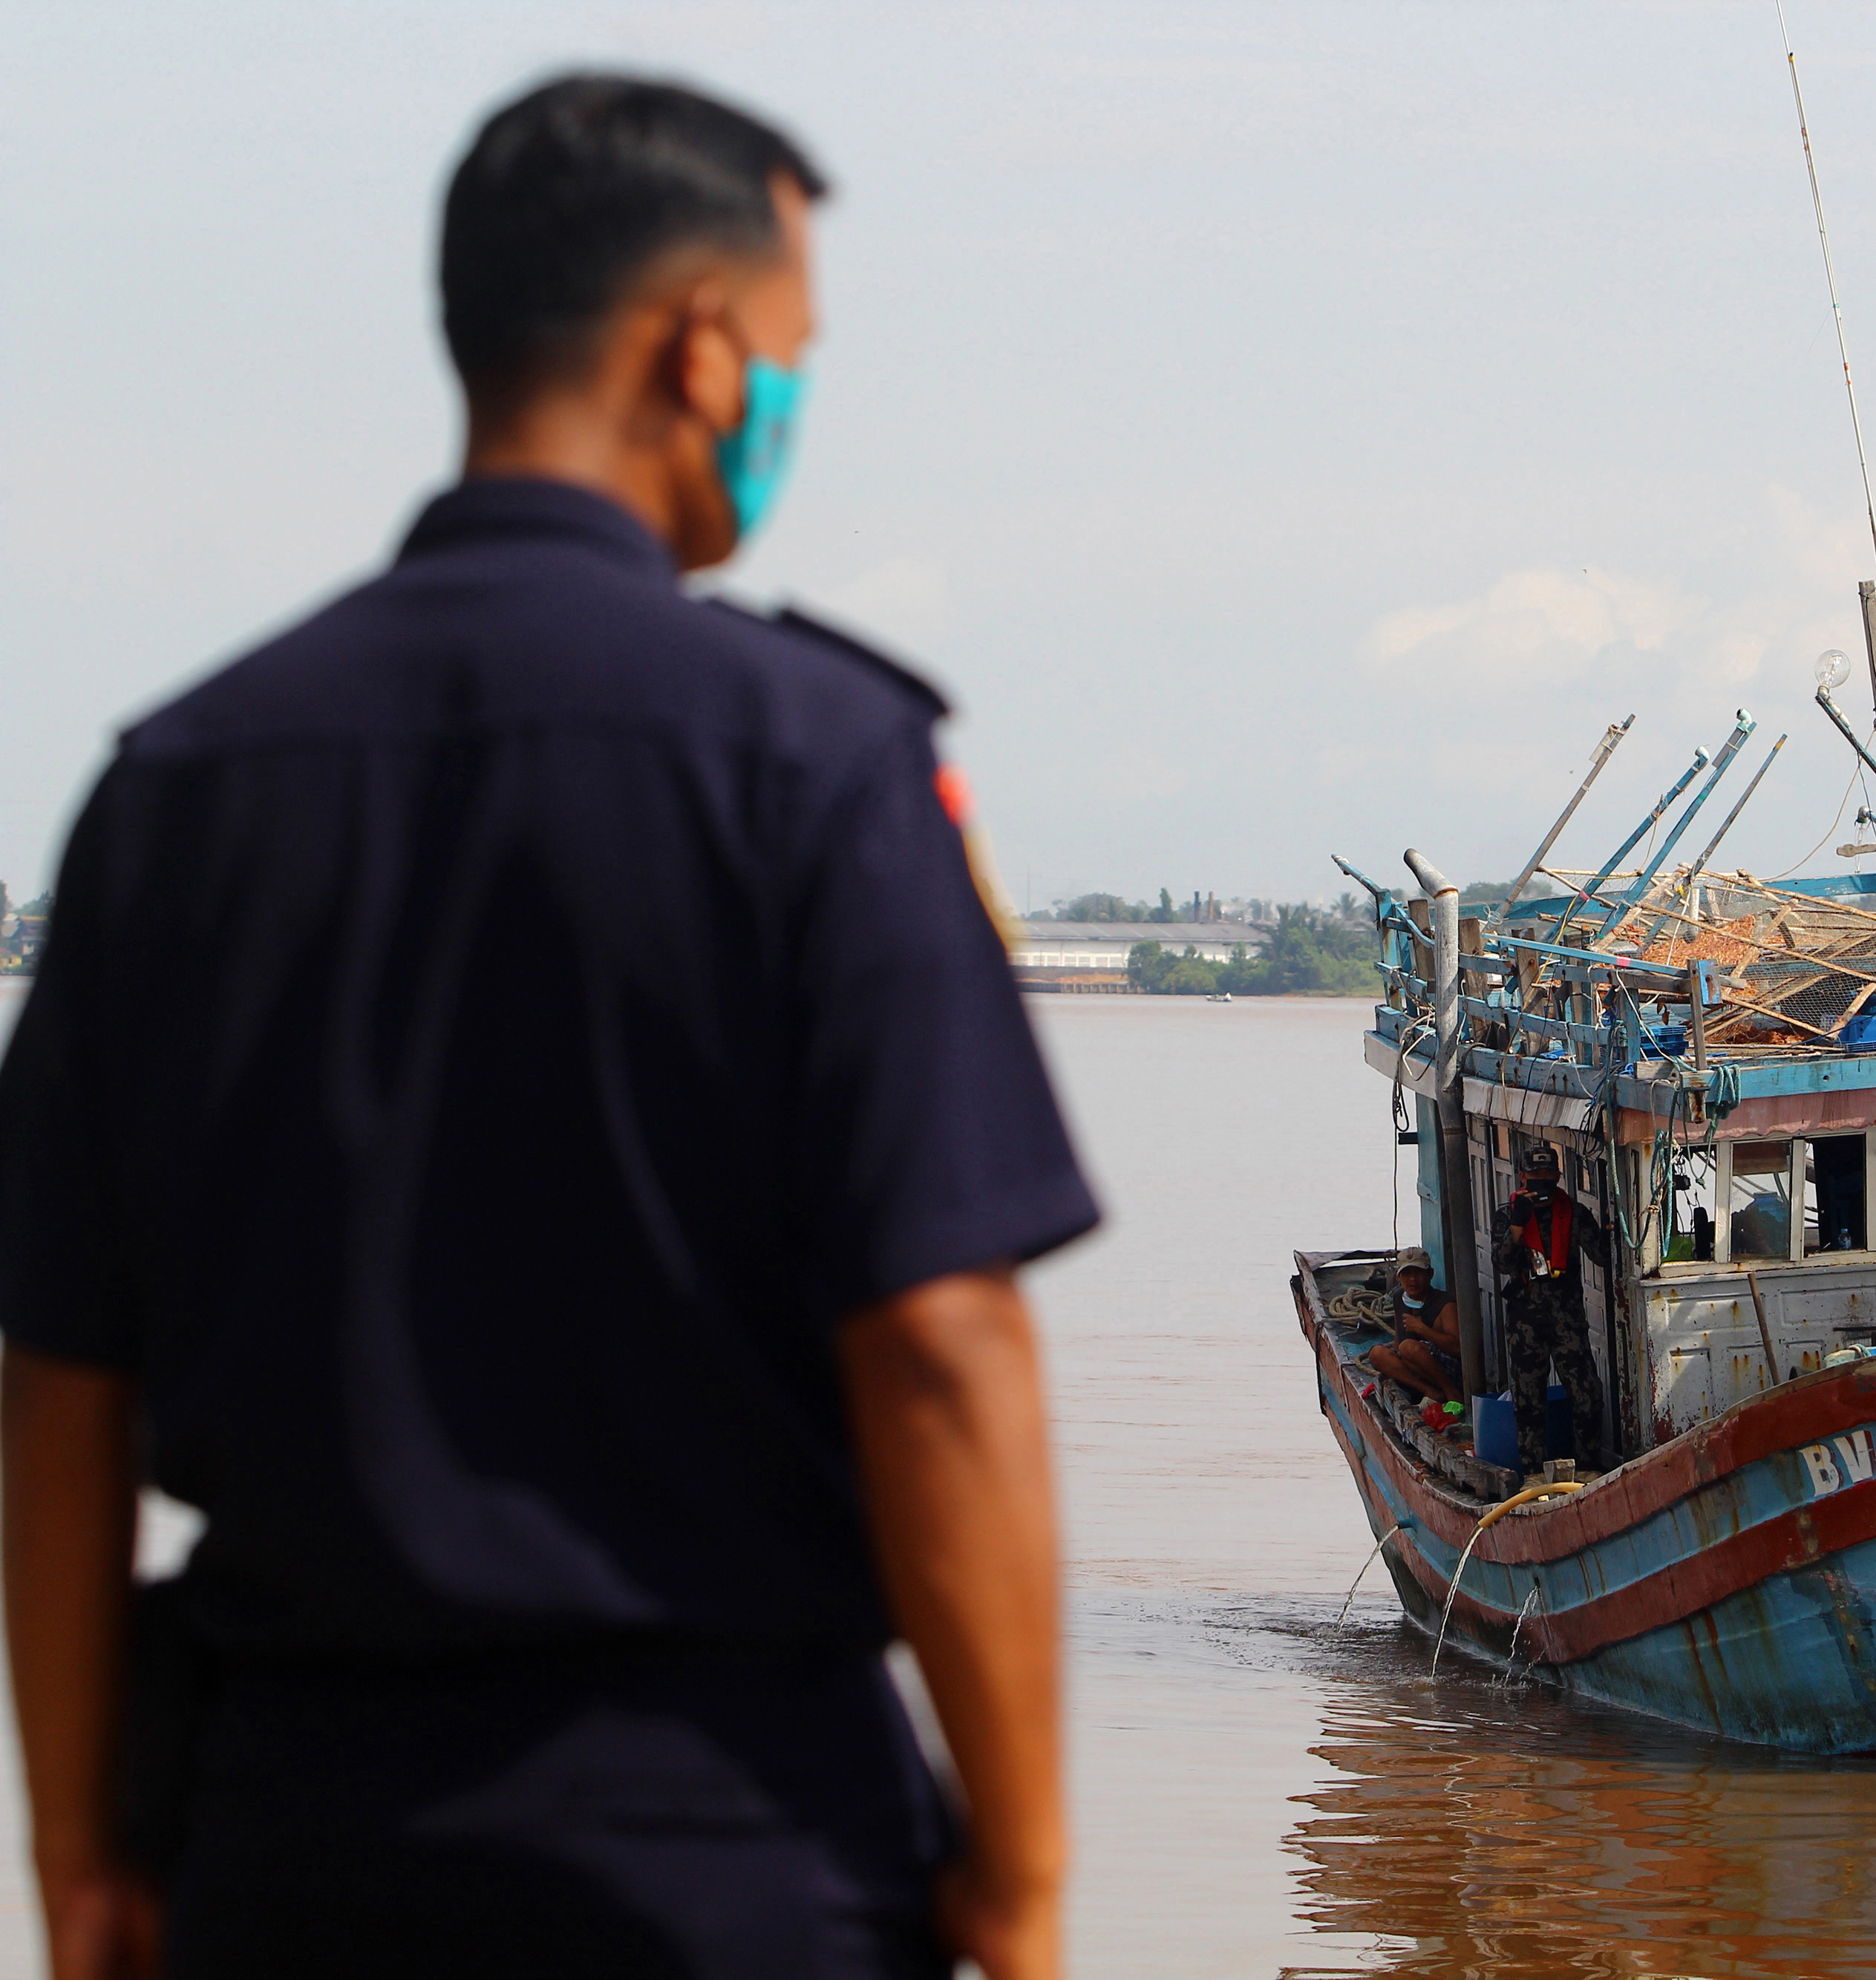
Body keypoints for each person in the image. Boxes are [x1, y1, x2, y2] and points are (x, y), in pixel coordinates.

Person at [0, 76, 1099, 1980]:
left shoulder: (173, 786)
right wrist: (1020, 1876)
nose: (785, 407)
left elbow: (55, 1385)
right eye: (791, 357)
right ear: (698, 348)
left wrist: (81, 1858)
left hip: (285, 1860)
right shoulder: (818, 771)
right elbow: (939, 1347)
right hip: (735, 1864)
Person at [1494, 1144, 1610, 1474]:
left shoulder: (1573, 1211)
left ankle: (1588, 1466)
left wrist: (1613, 1232)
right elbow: (1502, 1264)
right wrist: (1518, 1224)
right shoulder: (1508, 1214)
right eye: (1535, 1175)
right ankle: (1533, 1473)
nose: (1542, 1181)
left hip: (1567, 1319)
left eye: (1548, 1175)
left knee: (1587, 1396)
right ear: (1522, 1177)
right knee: (1528, 1401)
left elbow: (1601, 1256)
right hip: (1525, 1323)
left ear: (1558, 1176)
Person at [1363, 1249, 1462, 1406]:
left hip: (1447, 1370)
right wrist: (1394, 1368)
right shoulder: (1399, 1297)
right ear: (1399, 1276)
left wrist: (1422, 1330)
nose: (1413, 1280)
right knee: (1377, 1353)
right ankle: (1429, 1391)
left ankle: (1452, 1393)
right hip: (1415, 1366)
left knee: (1408, 1347)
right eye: (1407, 1274)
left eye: (1419, 1274)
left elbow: (1458, 1348)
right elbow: (1398, 1341)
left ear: (1430, 1275)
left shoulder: (1445, 1304)